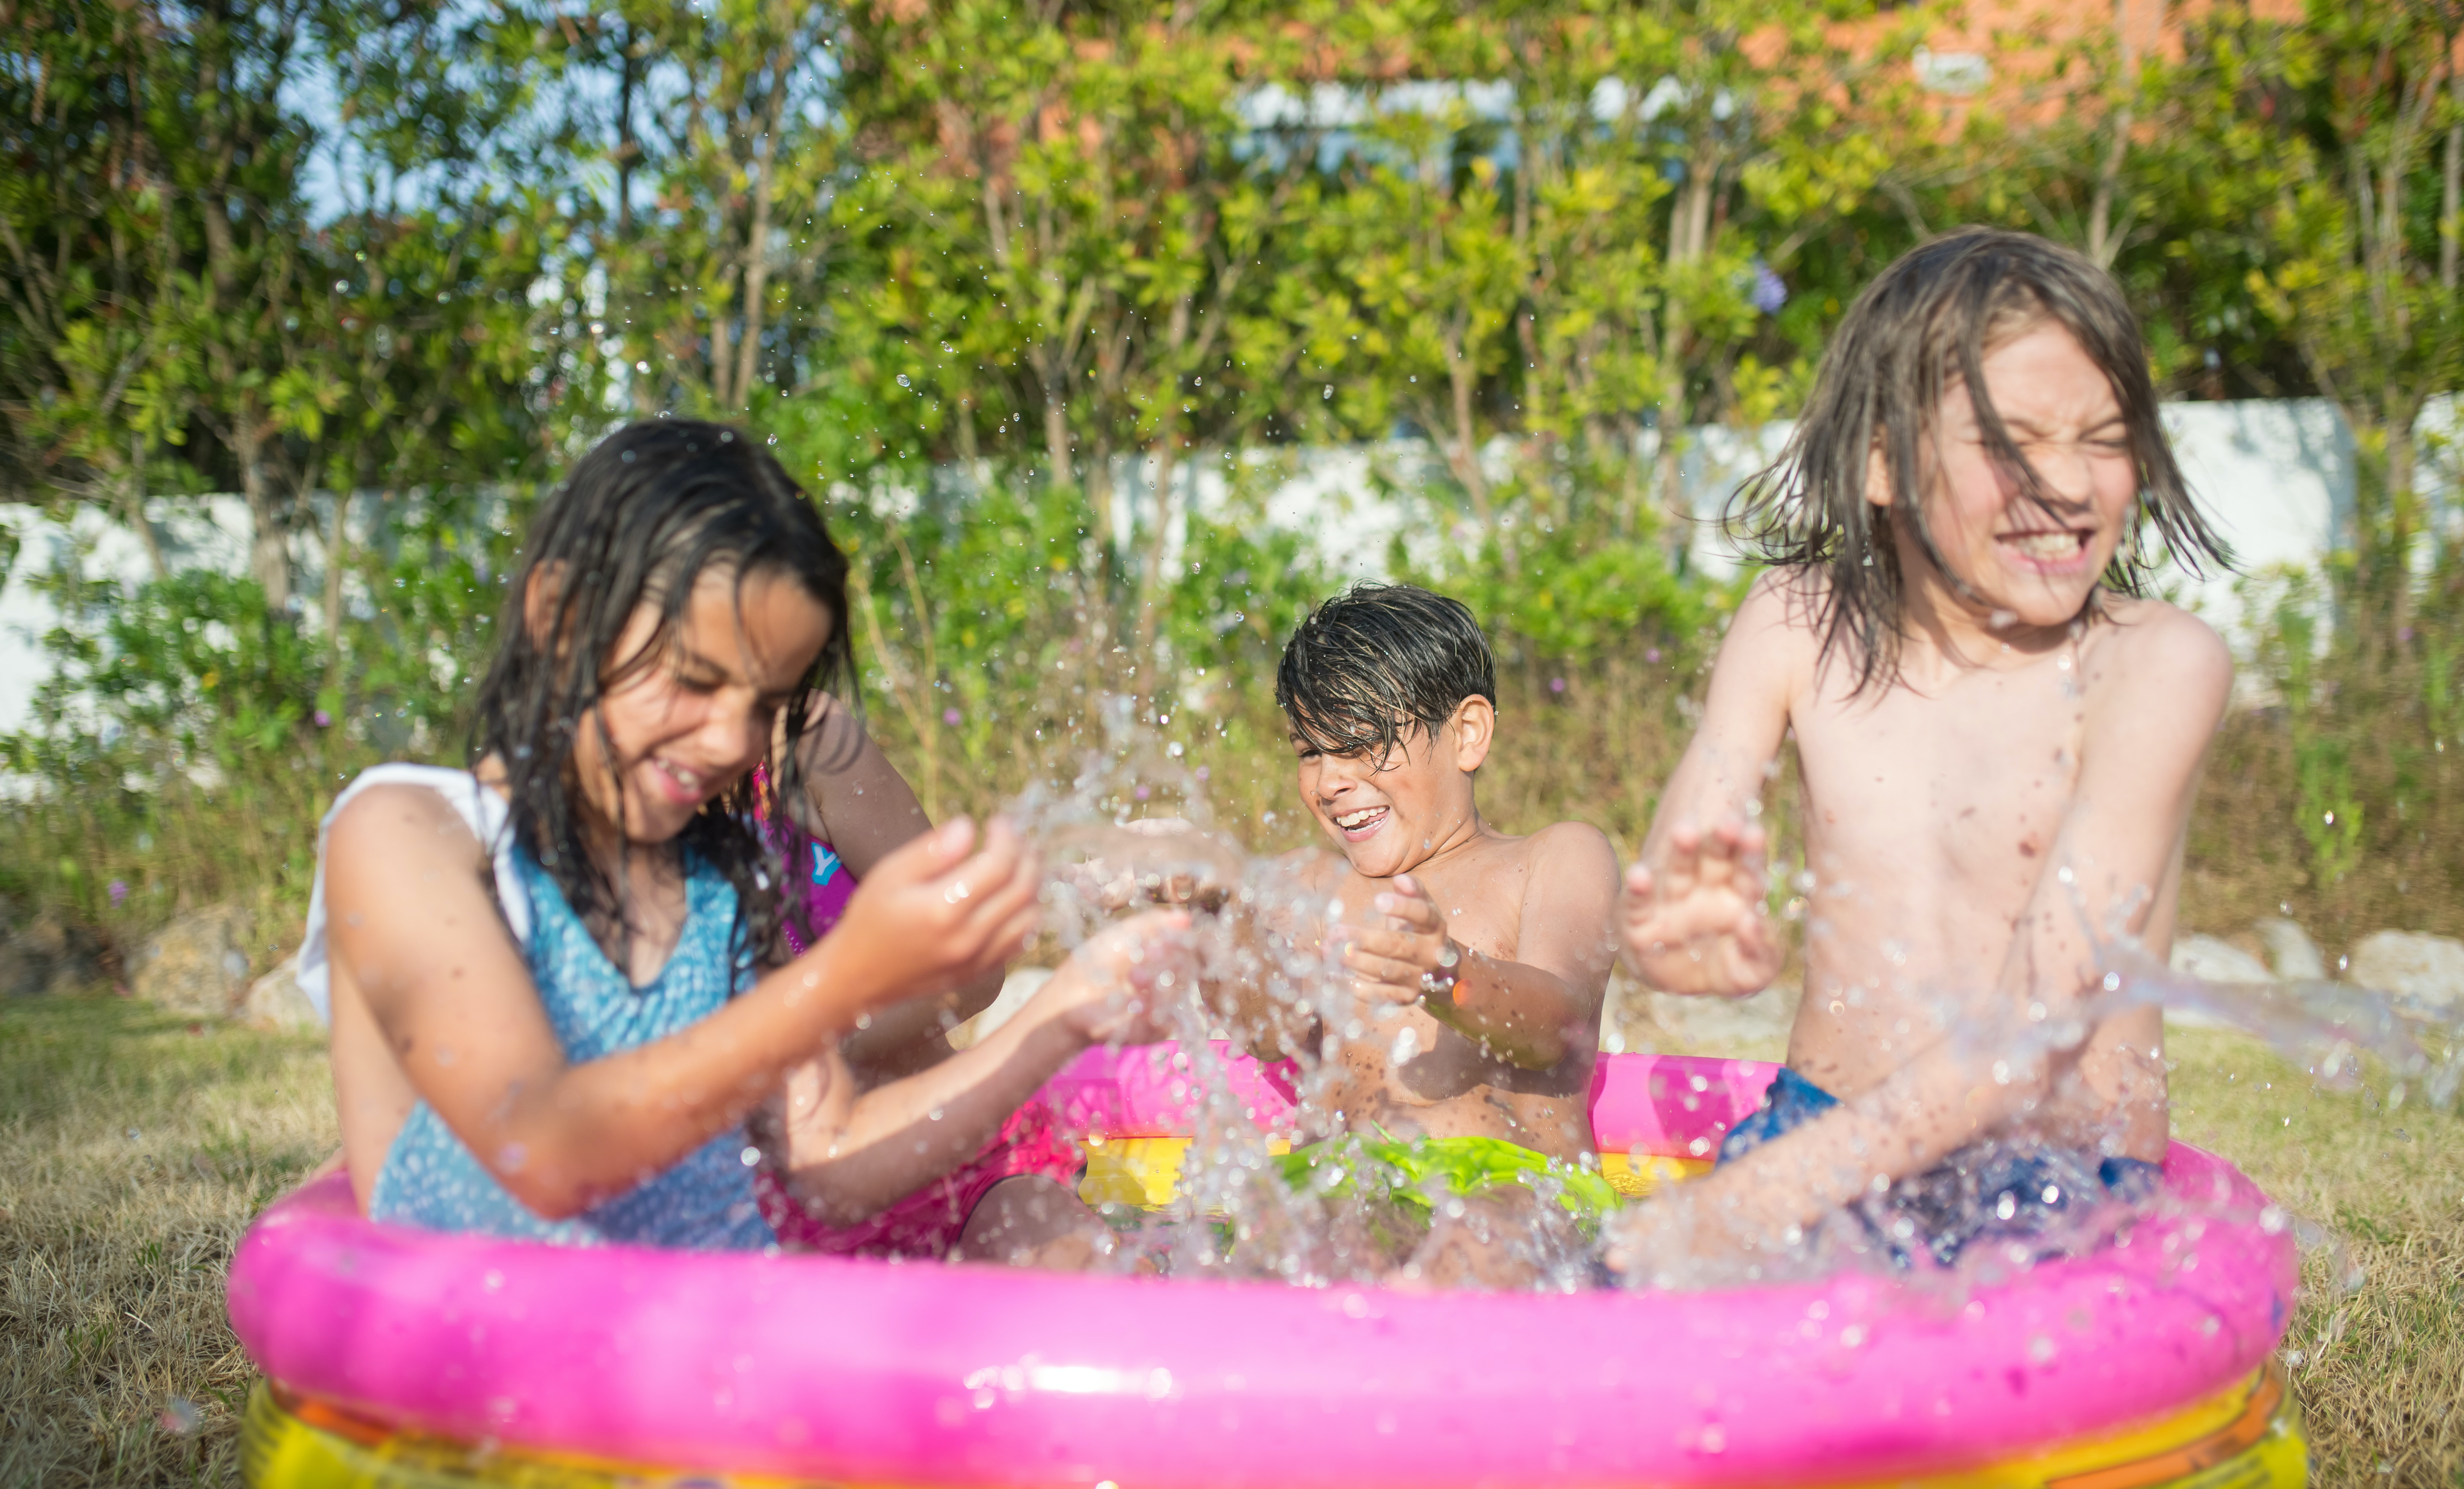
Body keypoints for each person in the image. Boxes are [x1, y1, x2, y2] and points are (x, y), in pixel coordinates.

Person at [301, 419, 1189, 1249]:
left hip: (702, 1330)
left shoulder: (711, 878)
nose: (732, 739)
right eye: (693, 680)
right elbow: (542, 1150)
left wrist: (1060, 1014)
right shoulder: (411, 834)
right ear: (560, 615)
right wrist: (847, 976)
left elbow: (825, 1160)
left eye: (766, 703)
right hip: (489, 1345)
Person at [1611, 227, 2233, 1276]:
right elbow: (1681, 862)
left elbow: (2037, 1023)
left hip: (2055, 1176)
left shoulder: (2151, 667)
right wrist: (1674, 944)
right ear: (1882, 461)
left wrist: (1752, 1199)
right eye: (2010, 443)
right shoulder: (1793, 624)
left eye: (2103, 437)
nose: (2068, 485)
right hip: (1814, 1120)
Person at [1242, 583, 1622, 1283]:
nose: (1329, 782)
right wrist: (1214, 919)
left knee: (1480, 1248)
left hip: (1512, 1188)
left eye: (1360, 745)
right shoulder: (1312, 890)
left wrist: (1450, 976)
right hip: (1346, 1185)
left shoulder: (1551, 859)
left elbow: (1559, 1025)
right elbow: (1266, 1033)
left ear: (1468, 734)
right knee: (1287, 1247)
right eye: (1309, 751)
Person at [746, 711, 1136, 1267]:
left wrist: (807, 1055)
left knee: (1094, 1293)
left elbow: (971, 965)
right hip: (755, 1215)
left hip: (955, 1167)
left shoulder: (807, 744)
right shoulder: (629, 836)